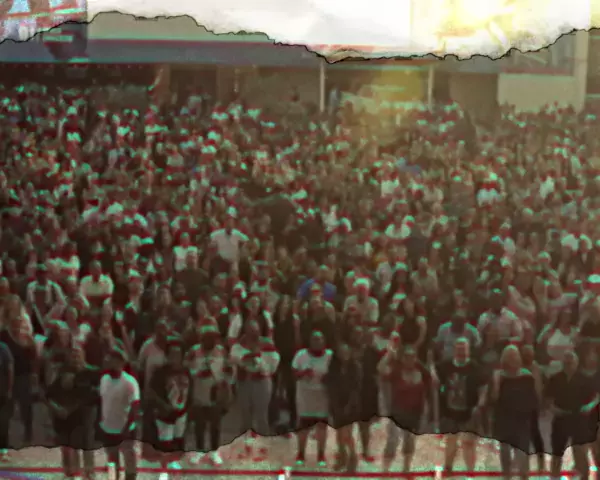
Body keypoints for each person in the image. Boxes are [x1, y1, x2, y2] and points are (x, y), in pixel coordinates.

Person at [45, 346, 100, 480]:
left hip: (86, 414)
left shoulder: (92, 373)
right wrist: (57, 408)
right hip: (68, 416)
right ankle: (73, 472)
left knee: (87, 443)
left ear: (83, 356)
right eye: (73, 356)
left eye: (78, 355)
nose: (75, 359)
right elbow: (50, 394)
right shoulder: (62, 373)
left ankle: (89, 472)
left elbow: (96, 394)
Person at [229, 319, 280, 459]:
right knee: (245, 417)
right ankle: (245, 448)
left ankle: (264, 448)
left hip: (262, 383)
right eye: (250, 331)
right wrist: (246, 360)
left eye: (255, 331)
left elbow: (273, 365)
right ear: (245, 331)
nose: (253, 333)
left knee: (261, 416)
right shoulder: (238, 345)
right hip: (244, 383)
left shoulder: (267, 345)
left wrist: (259, 364)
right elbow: (234, 359)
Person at [435, 337, 486, 476]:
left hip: (470, 411)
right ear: (454, 350)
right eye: (458, 349)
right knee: (451, 441)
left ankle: (470, 473)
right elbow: (433, 372)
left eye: (463, 349)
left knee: (469, 443)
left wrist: (480, 404)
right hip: (450, 411)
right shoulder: (445, 365)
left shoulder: (475, 367)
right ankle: (448, 468)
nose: (461, 351)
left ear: (468, 350)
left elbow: (483, 387)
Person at [380, 345, 434, 472]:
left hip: (415, 413)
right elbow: (381, 369)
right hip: (397, 413)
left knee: (409, 441)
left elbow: (432, 379)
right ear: (403, 359)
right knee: (392, 440)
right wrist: (388, 356)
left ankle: (406, 469)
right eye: (407, 357)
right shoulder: (396, 372)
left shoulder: (422, 373)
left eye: (412, 357)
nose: (409, 360)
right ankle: (385, 471)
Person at [546, 350, 598, 480]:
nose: (568, 365)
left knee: (580, 452)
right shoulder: (555, 378)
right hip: (561, 419)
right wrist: (552, 408)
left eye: (571, 362)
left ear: (576, 363)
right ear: (562, 363)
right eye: (566, 362)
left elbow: (596, 396)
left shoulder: (585, 379)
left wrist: (589, 407)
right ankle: (554, 477)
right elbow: (547, 398)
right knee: (557, 453)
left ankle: (583, 477)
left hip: (579, 419)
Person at [185, 324, 233, 466]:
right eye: (207, 337)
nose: (211, 340)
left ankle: (214, 451)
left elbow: (229, 369)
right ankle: (199, 451)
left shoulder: (221, 351)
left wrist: (225, 383)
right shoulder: (194, 351)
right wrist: (197, 373)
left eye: (213, 337)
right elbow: (185, 367)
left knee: (215, 424)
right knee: (199, 424)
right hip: (199, 392)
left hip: (215, 393)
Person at [491, 345, 540, 480]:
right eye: (509, 356)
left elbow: (534, 398)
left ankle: (524, 476)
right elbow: (494, 398)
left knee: (522, 455)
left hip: (522, 421)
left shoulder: (526, 376)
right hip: (504, 420)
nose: (512, 359)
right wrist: (496, 382)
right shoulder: (499, 376)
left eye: (514, 356)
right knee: (505, 454)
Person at [147, 339, 192, 472]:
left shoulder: (186, 372)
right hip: (165, 414)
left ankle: (175, 464)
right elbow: (151, 392)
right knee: (165, 443)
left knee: (178, 440)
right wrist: (163, 406)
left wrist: (188, 409)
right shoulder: (160, 372)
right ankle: (164, 470)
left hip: (181, 413)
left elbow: (190, 392)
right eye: (172, 354)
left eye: (178, 354)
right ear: (167, 355)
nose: (175, 357)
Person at [291, 330, 332, 466]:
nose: (317, 342)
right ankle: (301, 453)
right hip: (305, 396)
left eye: (319, 339)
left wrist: (328, 378)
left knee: (322, 426)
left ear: (324, 342)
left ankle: (321, 454)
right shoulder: (301, 355)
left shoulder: (330, 356)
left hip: (322, 396)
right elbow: (293, 373)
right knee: (304, 426)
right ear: (310, 341)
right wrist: (303, 373)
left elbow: (336, 375)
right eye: (314, 339)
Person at [99, 347, 140, 480]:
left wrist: (127, 428)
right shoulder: (104, 379)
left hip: (125, 429)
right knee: (112, 460)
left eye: (114, 360)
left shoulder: (129, 382)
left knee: (129, 459)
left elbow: (135, 407)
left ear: (122, 363)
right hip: (108, 429)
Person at [325, 342, 360, 472]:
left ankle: (353, 457)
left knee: (347, 434)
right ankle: (342, 457)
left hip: (351, 405)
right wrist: (334, 405)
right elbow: (330, 387)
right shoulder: (333, 368)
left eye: (346, 352)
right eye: (341, 352)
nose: (344, 354)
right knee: (339, 434)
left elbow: (356, 388)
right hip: (336, 405)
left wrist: (349, 405)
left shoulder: (355, 367)